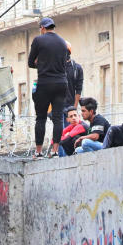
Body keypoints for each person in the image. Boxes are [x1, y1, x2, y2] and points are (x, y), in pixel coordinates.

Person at [28, 16, 69, 158]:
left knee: (41, 118)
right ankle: (55, 151)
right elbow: (65, 62)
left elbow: (30, 63)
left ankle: (38, 152)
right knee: (58, 118)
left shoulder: (38, 40)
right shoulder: (63, 42)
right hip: (61, 83)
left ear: (43, 28)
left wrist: (40, 63)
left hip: (45, 83)